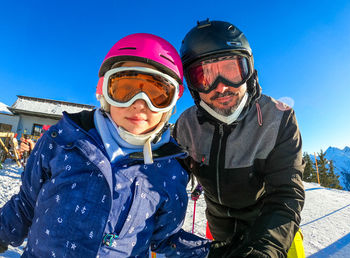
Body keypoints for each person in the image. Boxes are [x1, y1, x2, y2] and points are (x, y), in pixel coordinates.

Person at [0, 33, 211, 257]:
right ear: (104, 91)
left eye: (157, 95)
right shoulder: (62, 140)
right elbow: (25, 206)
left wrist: (211, 253)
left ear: (171, 105)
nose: (139, 104)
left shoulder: (170, 170)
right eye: (124, 90)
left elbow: (167, 237)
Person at [173, 19, 305, 257]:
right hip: (219, 228)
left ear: (248, 70)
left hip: (273, 227)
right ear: (193, 86)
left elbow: (286, 193)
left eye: (231, 71)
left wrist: (267, 249)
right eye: (204, 76)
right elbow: (167, 183)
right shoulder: (186, 125)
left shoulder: (278, 119)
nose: (221, 87)